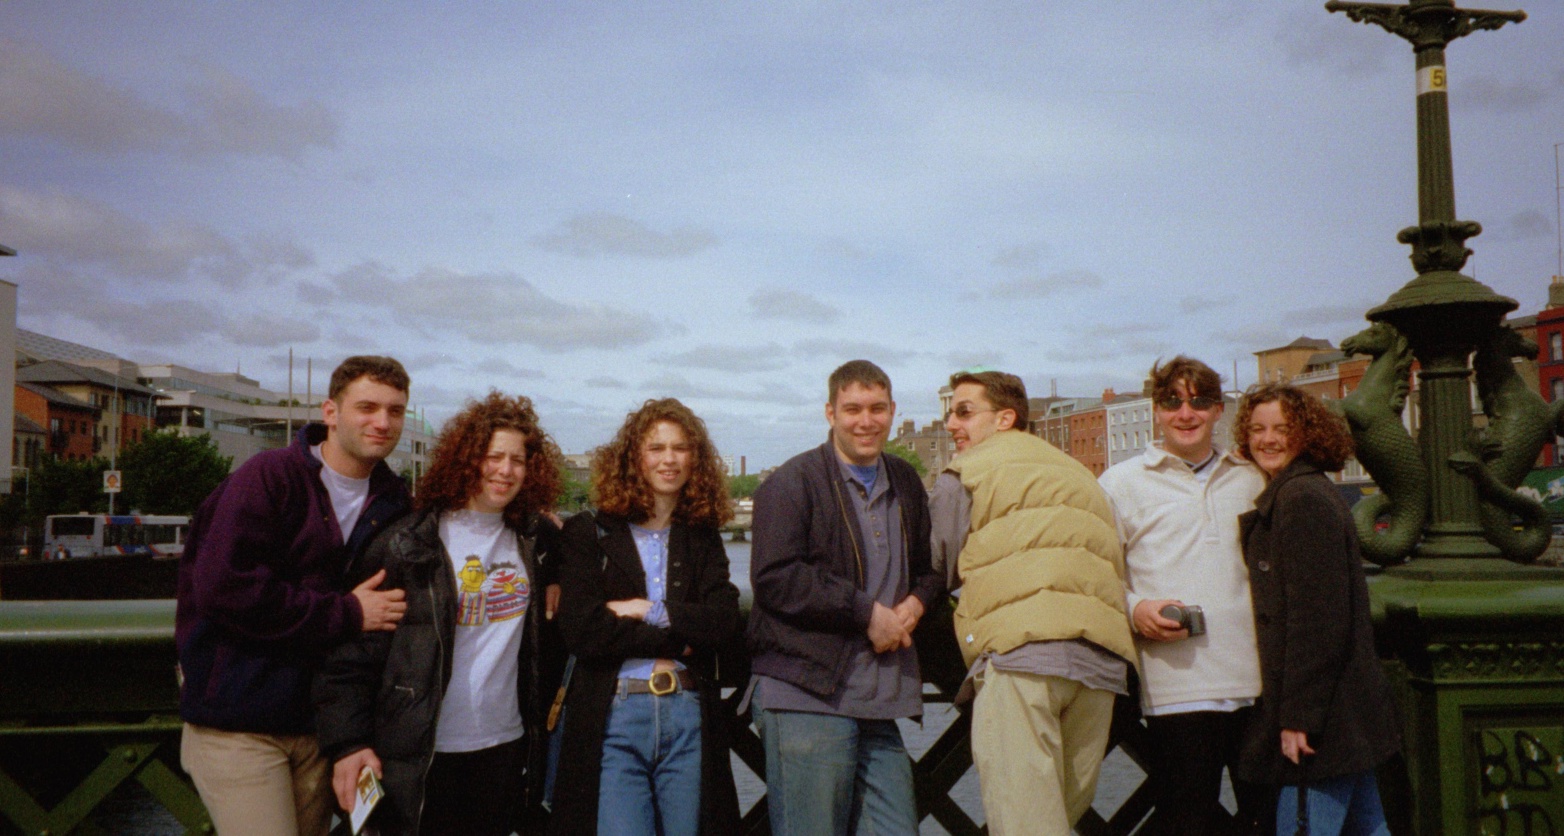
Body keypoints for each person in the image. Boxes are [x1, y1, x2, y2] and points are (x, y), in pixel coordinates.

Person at [176, 356, 413, 836]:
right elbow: (225, 589)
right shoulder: (268, 478)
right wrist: (346, 612)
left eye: (396, 410)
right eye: (366, 407)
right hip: (240, 723)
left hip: (324, 730)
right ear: (330, 412)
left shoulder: (394, 502)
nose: (382, 422)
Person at [314, 391, 563, 835]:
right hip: (423, 753)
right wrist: (348, 743)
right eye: (492, 457)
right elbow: (353, 658)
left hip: (505, 748)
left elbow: (583, 546)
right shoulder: (409, 544)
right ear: (466, 459)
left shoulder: (535, 541)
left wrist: (561, 574)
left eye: (518, 460)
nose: (505, 471)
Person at [931, 368, 1135, 835]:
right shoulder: (1083, 477)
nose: (951, 425)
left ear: (1005, 418)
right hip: (1100, 670)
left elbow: (935, 567)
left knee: (1022, 826)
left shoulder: (966, 473)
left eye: (963, 411)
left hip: (1023, 662)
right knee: (1059, 820)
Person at [745, 359, 943, 835]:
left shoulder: (905, 481)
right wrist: (865, 613)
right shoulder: (792, 482)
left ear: (893, 411)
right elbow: (774, 576)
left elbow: (928, 570)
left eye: (877, 408)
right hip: (806, 692)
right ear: (830, 412)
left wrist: (916, 602)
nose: (865, 420)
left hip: (879, 696)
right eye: (852, 408)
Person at [1098, 357, 1275, 835]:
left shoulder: (1254, 478)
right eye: (1172, 401)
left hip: (1258, 687)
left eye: (1199, 401)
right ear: (1156, 410)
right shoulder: (1119, 483)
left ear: (1219, 410)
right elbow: (1095, 573)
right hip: (1175, 692)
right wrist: (1135, 609)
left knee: (1270, 824)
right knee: (1186, 824)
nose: (1186, 413)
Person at [551, 398, 742, 835]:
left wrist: (645, 610)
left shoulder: (701, 534)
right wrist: (677, 638)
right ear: (634, 457)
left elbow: (723, 621)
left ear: (696, 458)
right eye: (656, 448)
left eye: (680, 448)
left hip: (688, 712)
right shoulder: (590, 533)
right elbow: (585, 630)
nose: (669, 459)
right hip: (615, 713)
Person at [1233, 383, 1399, 836]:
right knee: (1370, 827)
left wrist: (1297, 720)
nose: (1267, 439)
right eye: (1257, 429)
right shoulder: (1307, 491)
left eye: (1282, 429)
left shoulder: (1300, 500)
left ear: (1307, 434)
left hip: (1323, 720)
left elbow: (1317, 622)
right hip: (1348, 713)